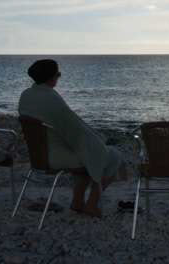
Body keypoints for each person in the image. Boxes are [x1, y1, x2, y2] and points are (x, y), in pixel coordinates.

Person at [18, 59, 127, 217]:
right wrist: (99, 139)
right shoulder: (51, 98)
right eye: (58, 74)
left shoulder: (26, 95)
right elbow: (75, 129)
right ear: (52, 77)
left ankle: (77, 202)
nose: (58, 77)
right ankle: (92, 204)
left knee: (85, 153)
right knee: (112, 156)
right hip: (55, 157)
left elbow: (64, 127)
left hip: (38, 156)